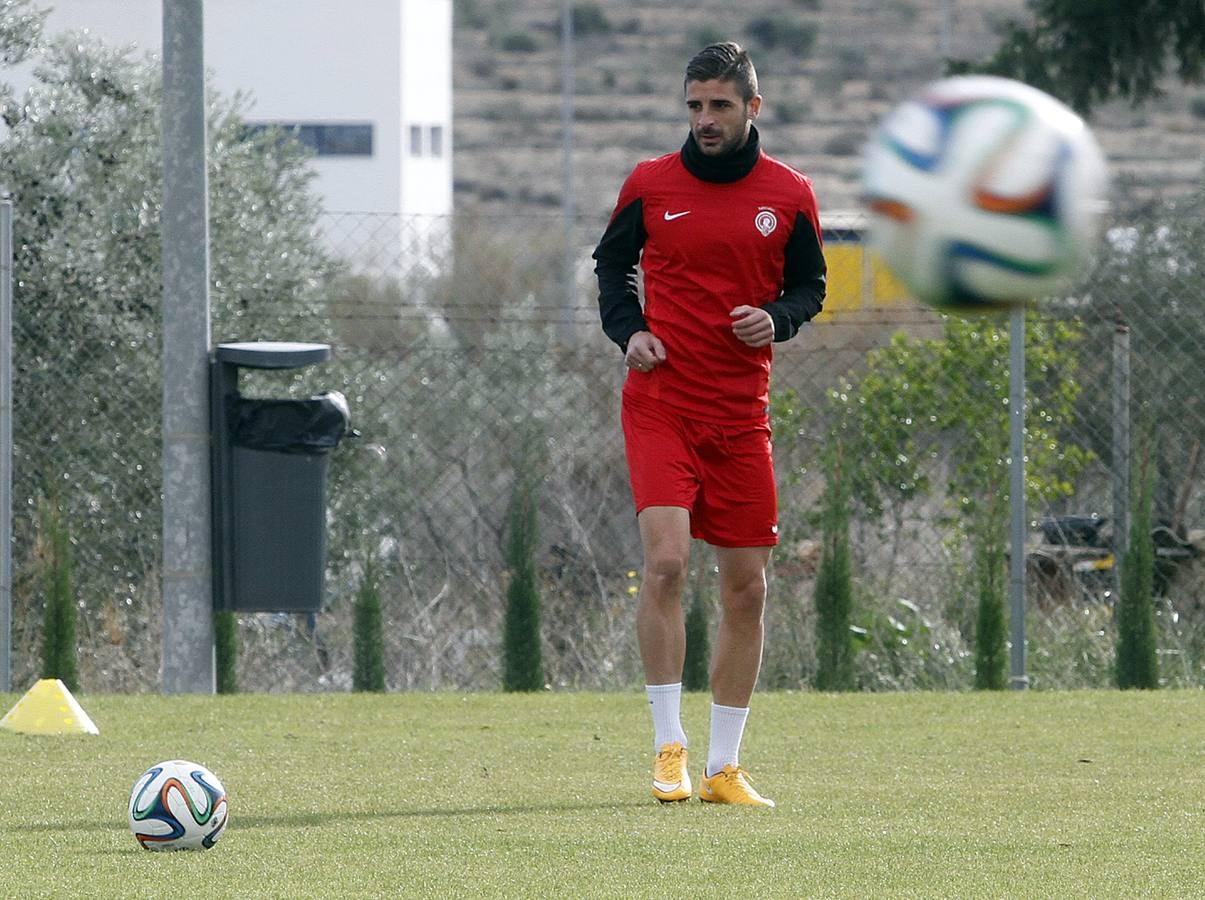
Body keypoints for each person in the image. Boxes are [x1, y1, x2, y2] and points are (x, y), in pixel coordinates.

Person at [593, 41, 826, 807]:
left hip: (739, 414)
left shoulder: (788, 194)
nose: (704, 120)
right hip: (660, 404)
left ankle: (725, 767)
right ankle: (669, 749)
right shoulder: (650, 185)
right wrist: (630, 332)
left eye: (719, 105)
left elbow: (808, 289)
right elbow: (610, 269)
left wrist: (776, 319)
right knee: (664, 565)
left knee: (746, 589)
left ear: (751, 107)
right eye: (694, 106)